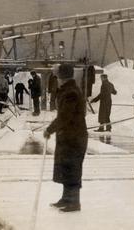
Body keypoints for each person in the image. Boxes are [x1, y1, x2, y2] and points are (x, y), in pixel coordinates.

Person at [43, 63, 88, 212]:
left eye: (57, 75)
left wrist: (50, 129)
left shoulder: (70, 92)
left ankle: (74, 203)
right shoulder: (68, 89)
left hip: (73, 138)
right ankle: (66, 198)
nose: (56, 78)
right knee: (67, 168)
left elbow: (64, 116)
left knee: (72, 169)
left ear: (61, 77)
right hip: (69, 136)